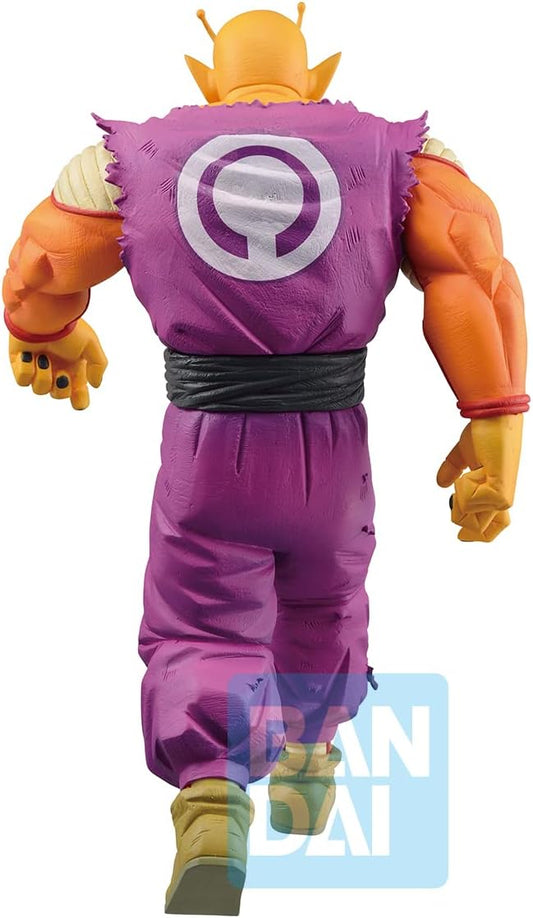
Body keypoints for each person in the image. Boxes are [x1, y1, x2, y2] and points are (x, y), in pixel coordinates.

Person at [3, 4, 528, 914]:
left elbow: (40, 267)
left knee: (202, 617)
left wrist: (50, 333)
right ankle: (308, 760)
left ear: (204, 78)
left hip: (206, 442)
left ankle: (212, 799)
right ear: (316, 76)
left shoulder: (124, 160)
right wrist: (495, 418)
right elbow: (472, 271)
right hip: (332, 442)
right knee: (325, 597)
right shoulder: (401, 155)